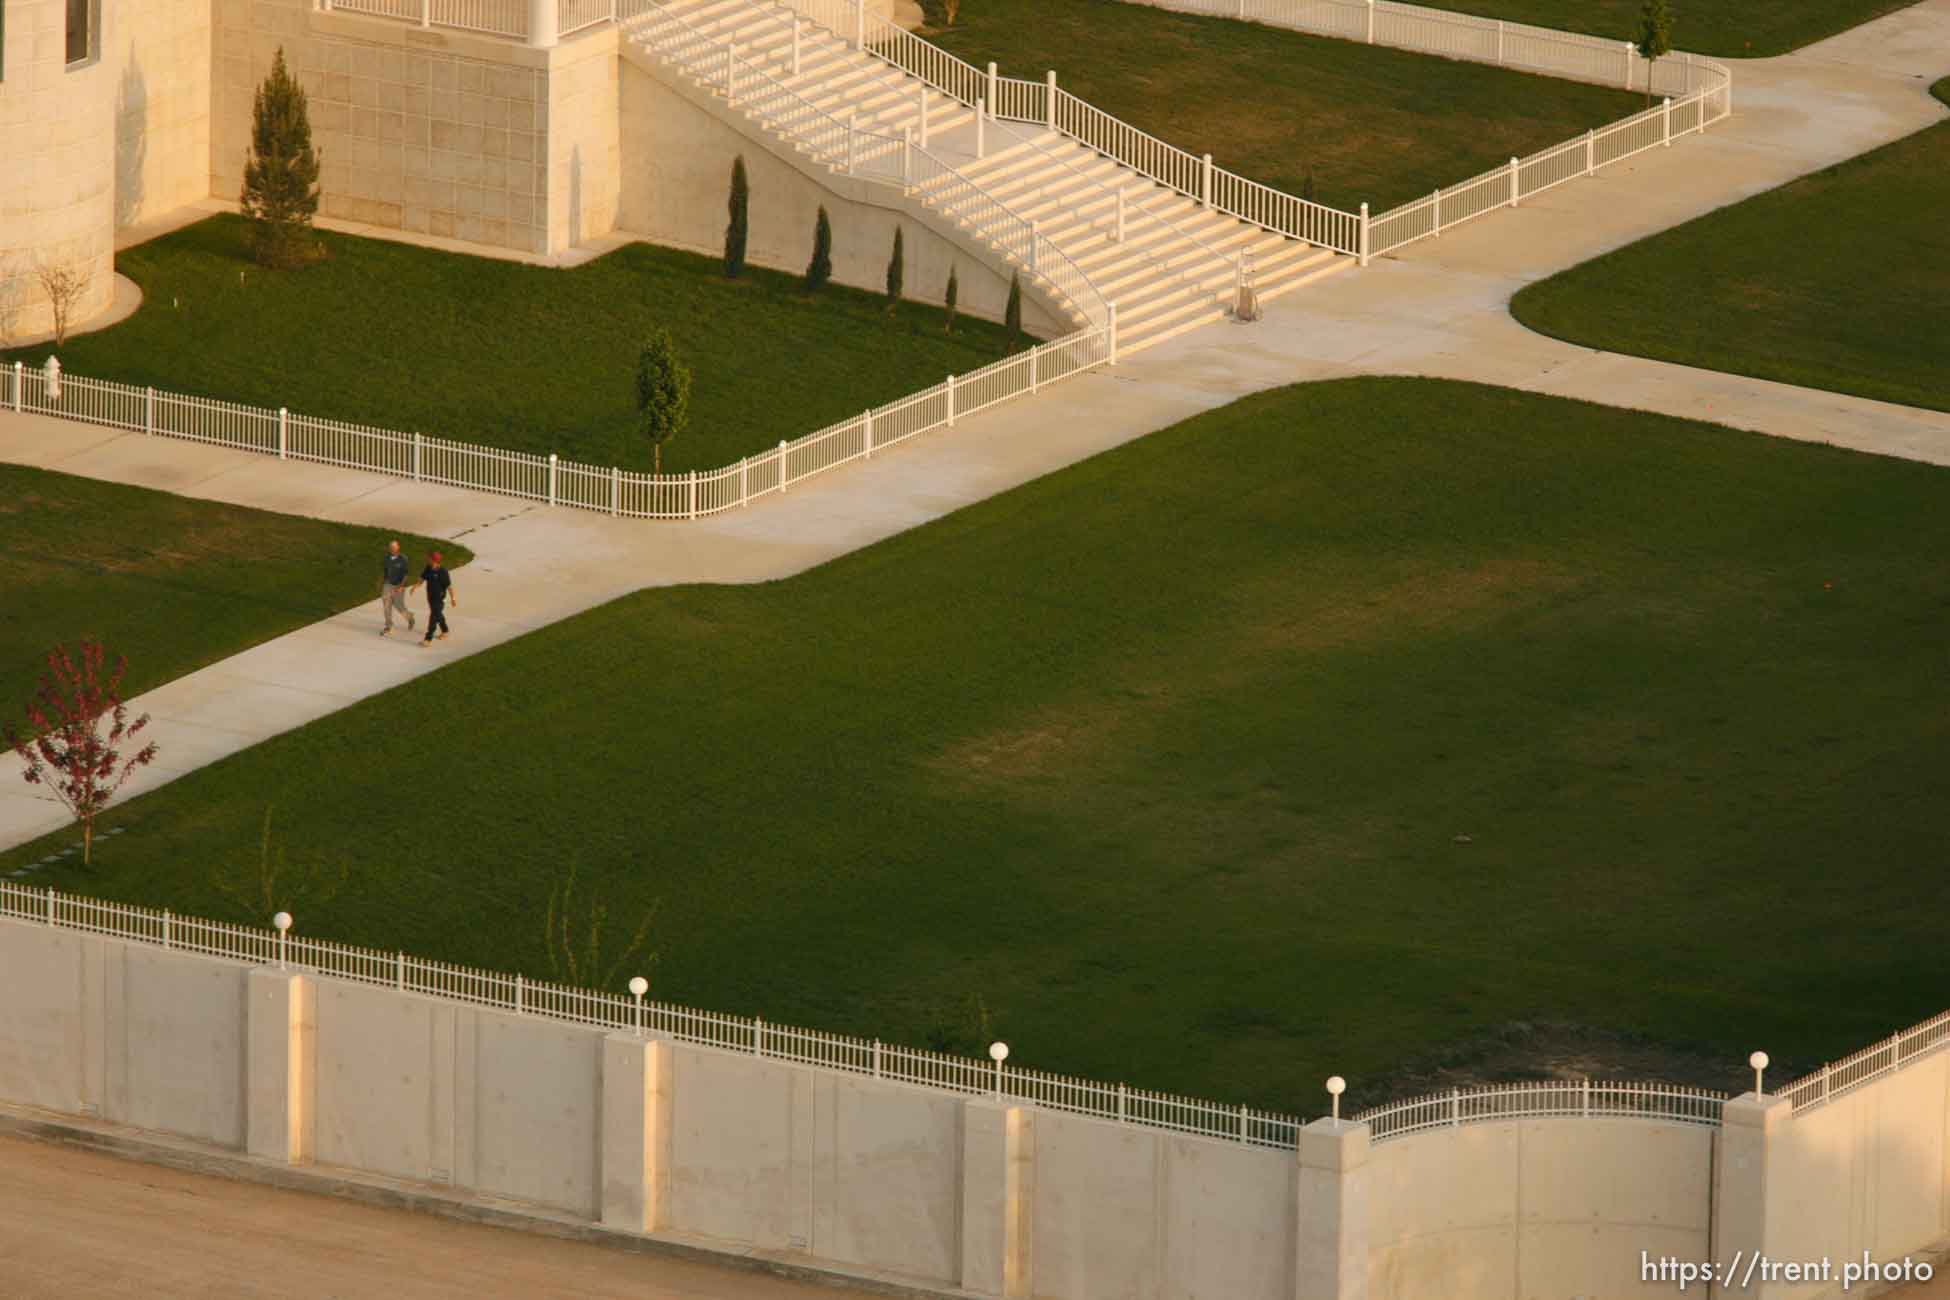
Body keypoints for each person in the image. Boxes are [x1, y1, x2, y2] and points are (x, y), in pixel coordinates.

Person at [415, 551, 457, 647]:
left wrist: (453, 599)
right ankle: (445, 631)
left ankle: (428, 639)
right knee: (438, 614)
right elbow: (422, 578)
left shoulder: (443, 572)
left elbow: (449, 586)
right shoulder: (428, 568)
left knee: (433, 617)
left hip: (440, 599)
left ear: (434, 560)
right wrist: (416, 586)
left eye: (430, 558)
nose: (428, 559)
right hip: (430, 597)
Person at [378, 540, 415, 637]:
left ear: (398, 547)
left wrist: (402, 586)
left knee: (399, 606)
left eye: (394, 547)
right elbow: (385, 572)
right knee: (386, 605)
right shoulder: (386, 558)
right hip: (388, 584)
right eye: (390, 547)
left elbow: (406, 574)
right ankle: (388, 626)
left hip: (399, 585)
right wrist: (382, 583)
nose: (392, 549)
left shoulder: (403, 559)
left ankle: (410, 618)